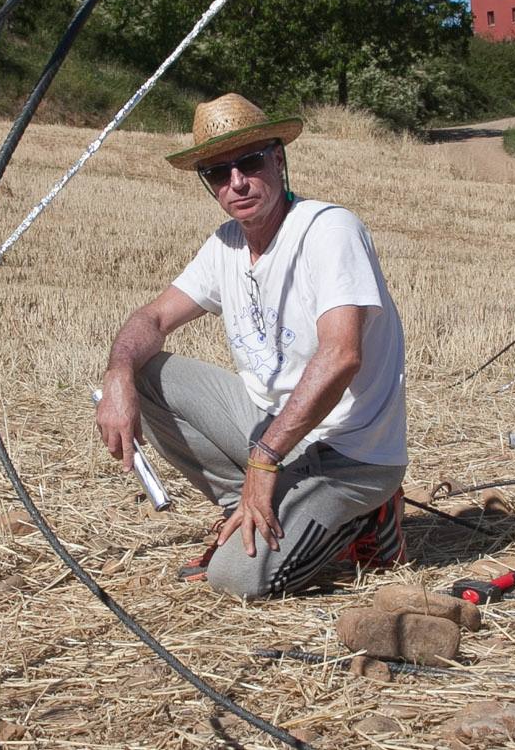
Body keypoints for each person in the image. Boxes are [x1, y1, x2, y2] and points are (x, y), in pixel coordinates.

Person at [92, 93, 408, 599]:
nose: (236, 182)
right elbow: (151, 317)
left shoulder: (329, 230)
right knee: (145, 370)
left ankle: (367, 517)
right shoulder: (226, 245)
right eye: (218, 172)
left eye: (249, 162)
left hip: (351, 455)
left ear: (278, 159)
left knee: (236, 580)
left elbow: (342, 355)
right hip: (277, 435)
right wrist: (117, 375)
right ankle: (236, 509)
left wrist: (262, 462)